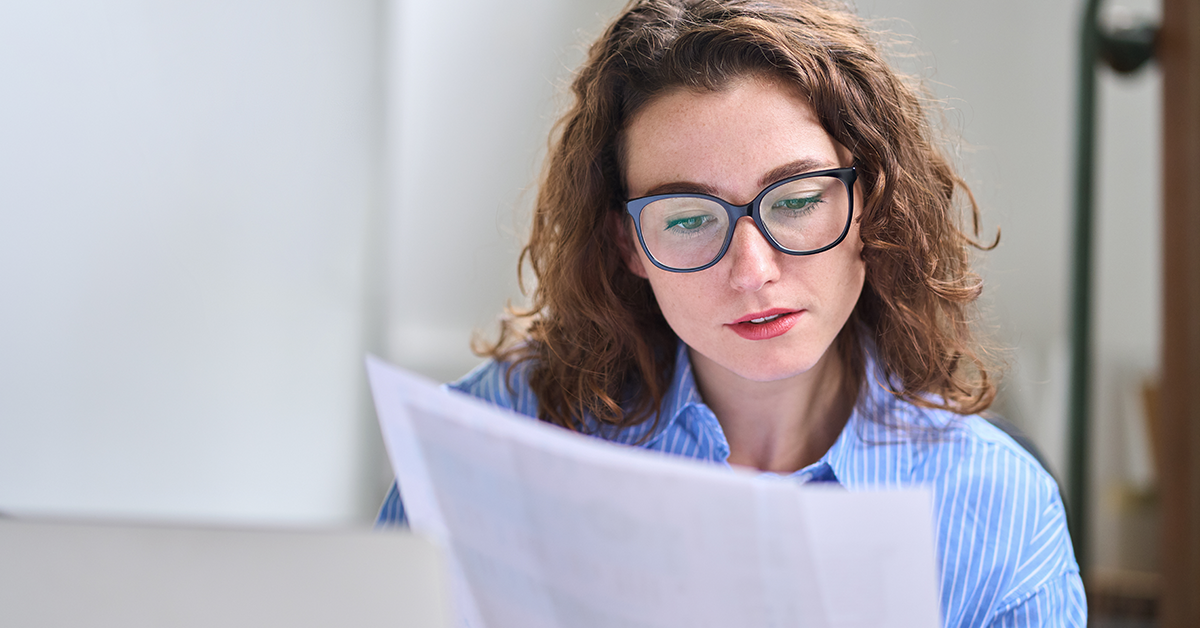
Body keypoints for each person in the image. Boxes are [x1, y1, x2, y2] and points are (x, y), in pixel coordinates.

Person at [378, 0, 1086, 624]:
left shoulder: (999, 507)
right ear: (629, 244)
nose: (752, 272)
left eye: (800, 200)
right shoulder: (493, 435)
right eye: (687, 219)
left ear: (871, 203)